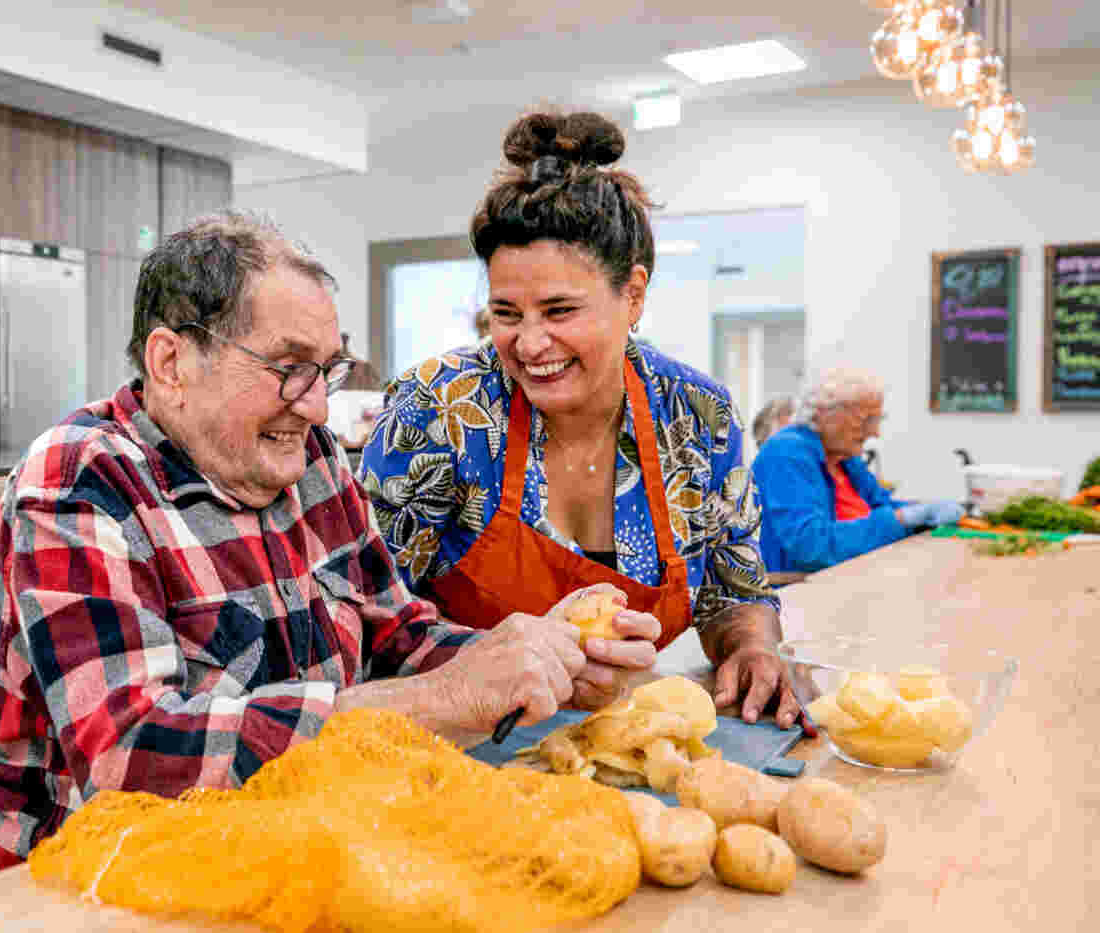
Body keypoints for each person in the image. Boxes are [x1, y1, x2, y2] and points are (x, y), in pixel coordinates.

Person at [0, 212, 659, 881]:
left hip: (293, 851)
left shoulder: (311, 459)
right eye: (290, 368)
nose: (320, 407)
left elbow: (400, 637)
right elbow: (130, 761)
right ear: (171, 362)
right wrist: (435, 700)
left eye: (328, 370)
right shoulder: (80, 481)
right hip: (86, 888)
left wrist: (534, 656)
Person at [359, 110, 802, 737]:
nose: (531, 344)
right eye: (507, 312)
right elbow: (362, 616)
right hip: (458, 749)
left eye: (560, 310)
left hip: (620, 745)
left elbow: (732, 592)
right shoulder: (439, 411)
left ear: (634, 294)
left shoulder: (698, 417)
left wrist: (753, 647)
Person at [751, 367, 964, 573]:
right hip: (797, 592)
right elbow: (811, 547)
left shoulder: (843, 457)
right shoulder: (786, 454)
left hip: (853, 574)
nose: (875, 432)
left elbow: (884, 506)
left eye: (877, 420)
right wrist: (903, 519)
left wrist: (924, 511)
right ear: (824, 414)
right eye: (866, 420)